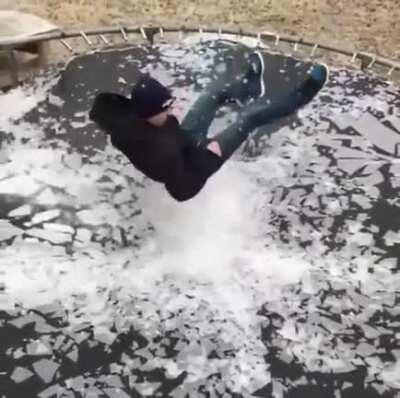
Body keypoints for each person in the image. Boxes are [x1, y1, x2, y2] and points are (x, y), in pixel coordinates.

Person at [89, 51, 327, 202]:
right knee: (248, 120)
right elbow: (184, 176)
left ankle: (249, 88)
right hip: (191, 172)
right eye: (167, 108)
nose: (171, 110)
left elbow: (109, 110)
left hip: (181, 141)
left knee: (211, 95)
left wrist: (169, 119)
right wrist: (210, 155)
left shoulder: (133, 117)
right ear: (151, 113)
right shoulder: (161, 154)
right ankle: (303, 94)